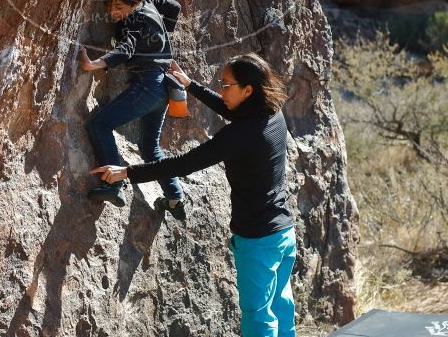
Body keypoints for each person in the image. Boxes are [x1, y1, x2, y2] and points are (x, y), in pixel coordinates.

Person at [90, 53, 296, 337]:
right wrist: (190, 85)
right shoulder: (273, 113)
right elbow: (235, 112)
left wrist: (127, 172)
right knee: (281, 306)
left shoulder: (239, 135)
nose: (222, 90)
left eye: (226, 85)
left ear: (248, 90)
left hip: (258, 240)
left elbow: (184, 164)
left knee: (258, 318)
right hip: (284, 233)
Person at [79, 0, 186, 218]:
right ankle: (174, 198)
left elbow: (127, 48)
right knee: (149, 147)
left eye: (118, 7)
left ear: (134, 0)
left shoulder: (134, 19)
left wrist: (95, 64)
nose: (112, 13)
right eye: (108, 6)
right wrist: (158, 38)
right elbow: (174, 7)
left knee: (99, 124)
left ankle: (114, 183)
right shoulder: (148, 3)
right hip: (163, 89)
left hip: (148, 86)